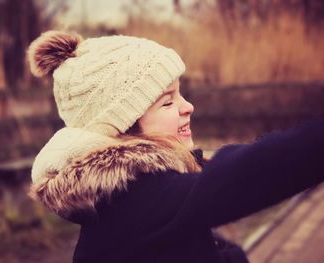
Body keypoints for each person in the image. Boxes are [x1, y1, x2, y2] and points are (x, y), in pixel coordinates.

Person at [27, 31, 324, 263]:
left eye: (180, 95)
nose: (188, 107)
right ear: (122, 126)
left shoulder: (123, 198)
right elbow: (246, 174)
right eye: (168, 102)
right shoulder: (137, 199)